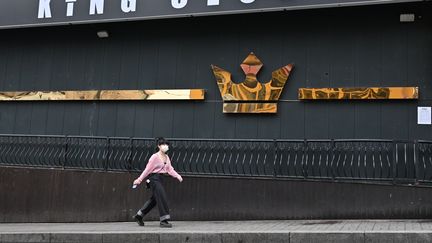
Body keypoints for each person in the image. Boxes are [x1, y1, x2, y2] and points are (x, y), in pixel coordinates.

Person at [132, 137, 183, 228]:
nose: (165, 146)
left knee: (154, 200)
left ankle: (139, 216)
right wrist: (139, 180)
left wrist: (178, 176)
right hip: (154, 179)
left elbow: (170, 170)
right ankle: (164, 220)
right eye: (163, 144)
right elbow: (147, 170)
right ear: (159, 146)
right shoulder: (154, 157)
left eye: (166, 144)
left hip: (161, 179)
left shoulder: (167, 157)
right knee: (162, 197)